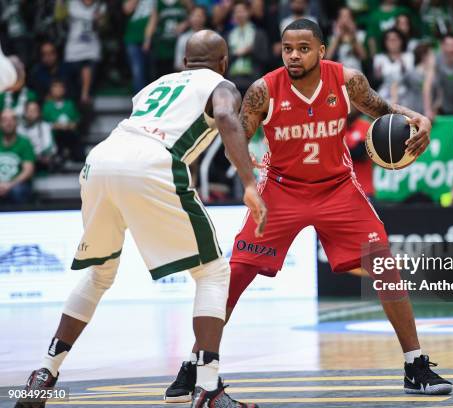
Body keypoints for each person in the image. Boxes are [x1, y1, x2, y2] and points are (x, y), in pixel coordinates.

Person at [164, 19, 452, 402]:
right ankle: (195, 362)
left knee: (384, 267)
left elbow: (382, 109)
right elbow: (236, 135)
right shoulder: (264, 90)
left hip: (337, 189)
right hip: (282, 191)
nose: (294, 55)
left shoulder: (347, 80)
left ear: (322, 50)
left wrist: (417, 117)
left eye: (303, 48)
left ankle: (415, 365)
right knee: (233, 275)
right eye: (287, 48)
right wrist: (248, 174)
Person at [14, 30, 266, 408]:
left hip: (101, 158)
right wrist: (248, 182)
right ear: (224, 62)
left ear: (184, 62)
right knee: (213, 272)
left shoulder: (155, 85)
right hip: (151, 161)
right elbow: (228, 117)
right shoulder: (221, 84)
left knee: (99, 273)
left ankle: (44, 373)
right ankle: (209, 388)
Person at [225, 1, 270, 95]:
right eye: (236, 12)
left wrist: (251, 51)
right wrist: (237, 54)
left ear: (249, 12)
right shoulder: (228, 35)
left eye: (242, 11)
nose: (239, 14)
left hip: (253, 79)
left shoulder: (259, 34)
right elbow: (224, 60)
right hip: (232, 80)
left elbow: (266, 58)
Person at [0, 109, 35, 205]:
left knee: (18, 191)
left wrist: (9, 185)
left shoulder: (24, 142)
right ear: (0, 123)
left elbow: (28, 171)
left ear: (16, 123)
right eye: (5, 120)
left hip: (17, 185)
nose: (8, 123)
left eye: (12, 120)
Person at [372, 28, 414, 106]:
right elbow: (376, 80)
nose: (392, 42)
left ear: (401, 41)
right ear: (385, 42)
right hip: (385, 93)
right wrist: (378, 73)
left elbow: (411, 78)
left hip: (404, 93)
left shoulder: (408, 56)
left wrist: (403, 65)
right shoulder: (379, 58)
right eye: (389, 40)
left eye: (395, 39)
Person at [42, 80, 82, 162]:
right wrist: (54, 125)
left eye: (61, 87)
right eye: (55, 87)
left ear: (64, 90)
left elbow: (76, 119)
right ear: (51, 90)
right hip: (54, 136)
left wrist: (72, 124)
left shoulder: (70, 104)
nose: (58, 89)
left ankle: (74, 155)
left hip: (69, 135)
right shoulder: (47, 106)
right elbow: (43, 123)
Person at [123, 0, 156, 92]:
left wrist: (147, 39)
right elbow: (127, 9)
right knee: (137, 72)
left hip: (151, 39)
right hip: (132, 38)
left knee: (150, 74)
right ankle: (139, 103)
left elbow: (154, 16)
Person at [17, 101, 56, 170]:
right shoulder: (19, 128)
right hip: (22, 160)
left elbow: (49, 147)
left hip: (39, 161)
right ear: (25, 113)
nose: (31, 113)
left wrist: (33, 155)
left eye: (34, 111)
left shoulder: (45, 126)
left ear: (39, 113)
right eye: (29, 110)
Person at [326, 7, 367, 71]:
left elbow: (363, 56)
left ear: (353, 20)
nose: (345, 20)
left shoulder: (360, 34)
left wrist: (352, 35)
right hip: (339, 75)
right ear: (337, 20)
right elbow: (328, 57)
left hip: (356, 74)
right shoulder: (334, 37)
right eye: (342, 17)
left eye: (348, 17)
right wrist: (338, 36)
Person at [175, 6, 207, 71]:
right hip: (188, 74)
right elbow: (178, 64)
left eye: (199, 16)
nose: (197, 19)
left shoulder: (212, 36)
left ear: (205, 18)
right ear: (189, 18)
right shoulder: (183, 38)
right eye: (194, 16)